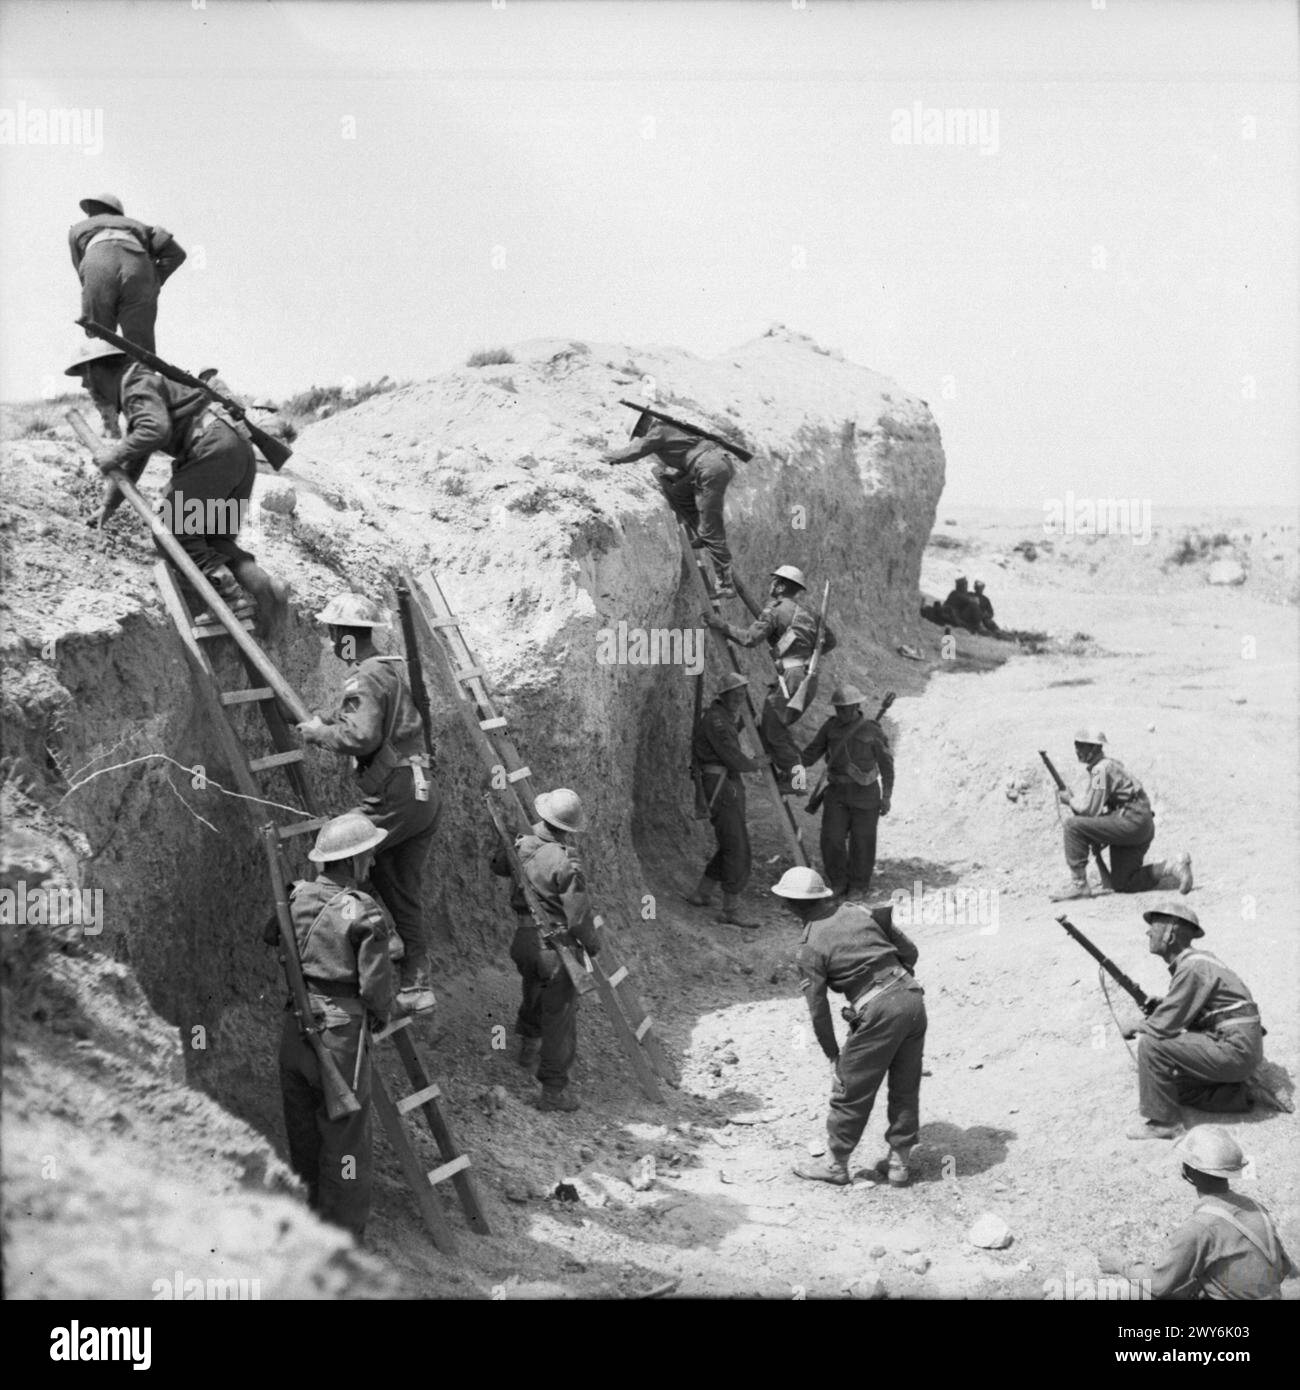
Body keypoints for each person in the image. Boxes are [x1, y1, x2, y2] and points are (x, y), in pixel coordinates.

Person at [68, 341, 289, 640]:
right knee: (215, 540)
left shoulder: (134, 383)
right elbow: (138, 456)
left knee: (172, 530)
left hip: (211, 449)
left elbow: (154, 431)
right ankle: (266, 588)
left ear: (97, 370)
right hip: (237, 451)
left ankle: (227, 596)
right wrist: (109, 505)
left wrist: (114, 453)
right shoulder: (143, 384)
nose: (84, 385)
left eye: (84, 375)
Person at [298, 594, 439, 1015]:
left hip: (396, 791)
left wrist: (317, 735)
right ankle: (417, 985)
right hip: (422, 795)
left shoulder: (364, 677)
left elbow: (360, 737)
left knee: (339, 855)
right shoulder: (385, 672)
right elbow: (360, 718)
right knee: (400, 888)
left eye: (332, 632)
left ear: (342, 636)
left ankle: (367, 946)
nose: (330, 639)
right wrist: (323, 719)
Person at [266, 812, 394, 1242]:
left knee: (304, 1138)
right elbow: (375, 984)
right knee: (346, 1147)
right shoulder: (362, 907)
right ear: (354, 861)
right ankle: (344, 1244)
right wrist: (378, 1017)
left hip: (296, 1030)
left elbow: (273, 935)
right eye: (367, 855)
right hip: (341, 1037)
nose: (372, 862)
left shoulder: (295, 895)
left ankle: (310, 1229)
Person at [771, 867, 927, 1187]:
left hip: (878, 1010)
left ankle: (836, 1166)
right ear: (823, 894)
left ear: (790, 905)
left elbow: (818, 1009)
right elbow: (910, 952)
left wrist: (833, 1055)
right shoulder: (860, 911)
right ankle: (899, 1163)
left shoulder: (810, 945)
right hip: (912, 998)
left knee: (850, 1088)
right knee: (905, 1084)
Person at [489, 788, 601, 1112]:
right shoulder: (565, 861)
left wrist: (508, 837)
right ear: (567, 828)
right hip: (555, 946)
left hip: (524, 941)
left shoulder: (521, 845)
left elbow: (497, 864)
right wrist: (593, 945)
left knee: (533, 989)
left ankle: (528, 1045)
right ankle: (553, 1091)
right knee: (561, 1018)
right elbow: (578, 918)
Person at [1121, 902, 1265, 1142]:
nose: (1148, 932)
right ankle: (1240, 1094)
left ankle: (1163, 1124)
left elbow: (1164, 1025)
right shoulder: (1199, 962)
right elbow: (1194, 1009)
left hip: (1235, 1049)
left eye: (1154, 927)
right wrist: (1164, 1003)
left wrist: (1136, 1025)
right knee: (1169, 1086)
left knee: (1151, 1044)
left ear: (1171, 933)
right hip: (1240, 1049)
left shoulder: (1193, 967)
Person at [704, 564, 835, 792]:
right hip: (806, 678)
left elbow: (748, 639)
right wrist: (802, 652)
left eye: (774, 581)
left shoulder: (774, 610)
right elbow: (830, 641)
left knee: (773, 731)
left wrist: (721, 625)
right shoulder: (809, 614)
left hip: (792, 678)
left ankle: (796, 781)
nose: (771, 585)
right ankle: (793, 777)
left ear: (781, 586)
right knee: (773, 729)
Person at [1132, 1127, 1294, 1299]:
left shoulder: (1199, 1227)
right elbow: (1284, 1267)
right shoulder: (1256, 1207)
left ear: (1187, 1171)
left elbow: (1158, 1284)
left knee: (1136, 1291)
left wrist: (1119, 1264)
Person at [604, 411, 745, 597]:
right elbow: (691, 456)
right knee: (679, 491)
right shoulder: (670, 429)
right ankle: (703, 534)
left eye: (638, 433)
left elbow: (635, 450)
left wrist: (608, 457)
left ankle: (726, 584)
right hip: (709, 465)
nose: (640, 436)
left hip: (710, 467)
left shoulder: (658, 430)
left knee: (712, 528)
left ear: (640, 426)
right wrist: (677, 477)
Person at [1052, 727, 1191, 900]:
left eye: (1082, 745)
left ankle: (1079, 885)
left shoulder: (1100, 770)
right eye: (1076, 744)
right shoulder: (1110, 765)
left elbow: (1089, 810)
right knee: (1124, 883)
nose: (1077, 750)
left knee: (1073, 826)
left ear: (1095, 748)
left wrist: (1069, 800)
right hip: (1140, 823)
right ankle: (1172, 867)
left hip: (1131, 820)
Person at [794, 685, 894, 901]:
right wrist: (793, 773)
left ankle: (859, 885)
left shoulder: (872, 730)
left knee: (863, 841)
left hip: (866, 795)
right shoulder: (830, 727)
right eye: (838, 709)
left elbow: (886, 765)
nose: (841, 713)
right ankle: (838, 882)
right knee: (831, 839)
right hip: (837, 794)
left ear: (856, 706)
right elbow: (810, 754)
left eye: (845, 709)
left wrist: (886, 796)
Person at [685, 672, 761, 928]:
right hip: (721, 787)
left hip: (725, 784)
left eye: (742, 694)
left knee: (731, 842)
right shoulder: (717, 720)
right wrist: (756, 764)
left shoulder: (722, 718)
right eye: (736, 694)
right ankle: (730, 910)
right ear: (725, 695)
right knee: (737, 847)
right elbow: (730, 754)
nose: (740, 699)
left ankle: (702, 893)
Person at [68, 192, 186, 355]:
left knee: (98, 337)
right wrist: (155, 280)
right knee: (141, 345)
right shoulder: (137, 225)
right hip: (139, 270)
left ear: (94, 210)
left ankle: (103, 369)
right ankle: (143, 374)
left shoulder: (77, 229)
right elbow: (177, 254)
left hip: (98, 268)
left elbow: (80, 268)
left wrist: (101, 296)